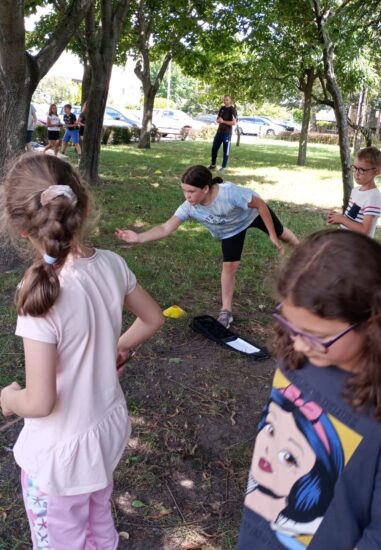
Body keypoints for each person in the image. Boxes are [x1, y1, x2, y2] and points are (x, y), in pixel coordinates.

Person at [0, 154, 164, 550]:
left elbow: (39, 402)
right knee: (97, 518)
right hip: (104, 432)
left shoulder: (39, 292)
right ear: (82, 206)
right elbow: (152, 318)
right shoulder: (111, 264)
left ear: (21, 228)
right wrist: (115, 349)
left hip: (58, 458)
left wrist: (8, 400)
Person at [237, 229, 381, 550]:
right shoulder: (295, 357)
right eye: (292, 327)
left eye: (316, 336)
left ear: (372, 324)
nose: (299, 344)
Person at [115, 165, 298, 328]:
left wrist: (272, 235)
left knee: (282, 233)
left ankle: (303, 249)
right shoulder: (189, 207)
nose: (187, 196)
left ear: (205, 188)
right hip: (231, 230)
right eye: (184, 191)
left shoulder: (229, 193)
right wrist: (139, 237)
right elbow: (165, 227)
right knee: (229, 265)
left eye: (191, 191)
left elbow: (260, 205)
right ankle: (226, 310)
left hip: (251, 214)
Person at [327, 146, 381, 237]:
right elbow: (353, 219)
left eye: (362, 170)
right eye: (355, 168)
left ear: (376, 172)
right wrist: (337, 218)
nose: (356, 173)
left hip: (359, 247)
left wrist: (342, 219)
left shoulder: (373, 197)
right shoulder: (356, 191)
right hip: (347, 241)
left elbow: (365, 231)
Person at [209, 95, 237, 173]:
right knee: (214, 149)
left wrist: (223, 121)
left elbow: (234, 122)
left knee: (226, 151)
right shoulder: (222, 108)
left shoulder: (233, 110)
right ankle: (213, 165)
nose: (225, 101)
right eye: (224, 100)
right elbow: (218, 119)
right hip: (219, 132)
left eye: (227, 100)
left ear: (230, 101)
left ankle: (223, 167)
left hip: (227, 134)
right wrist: (218, 120)